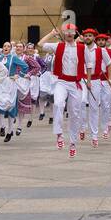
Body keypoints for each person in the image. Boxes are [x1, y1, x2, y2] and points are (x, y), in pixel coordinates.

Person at [37, 24, 90, 159]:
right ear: (64, 33)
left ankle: (73, 143)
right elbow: (40, 44)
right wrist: (51, 33)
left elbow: (89, 65)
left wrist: (88, 81)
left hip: (75, 82)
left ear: (75, 33)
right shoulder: (58, 46)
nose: (69, 34)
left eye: (72, 32)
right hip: (61, 81)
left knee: (75, 113)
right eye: (67, 32)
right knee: (58, 104)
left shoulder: (82, 48)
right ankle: (59, 134)